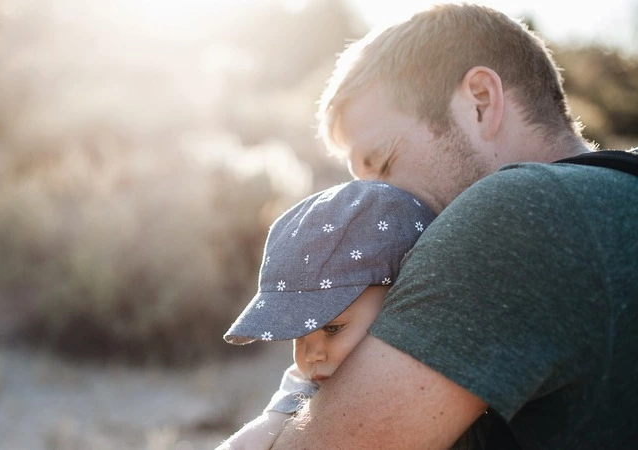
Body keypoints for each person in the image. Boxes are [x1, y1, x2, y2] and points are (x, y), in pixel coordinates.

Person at [267, 3, 638, 449]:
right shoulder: (617, 193)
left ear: (481, 101)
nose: (372, 207)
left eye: (383, 163)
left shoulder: (515, 214)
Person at [216, 180, 441, 450]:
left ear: (399, 298)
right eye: (298, 335)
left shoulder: (436, 374)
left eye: (332, 328)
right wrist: (271, 421)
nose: (311, 355)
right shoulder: (314, 382)